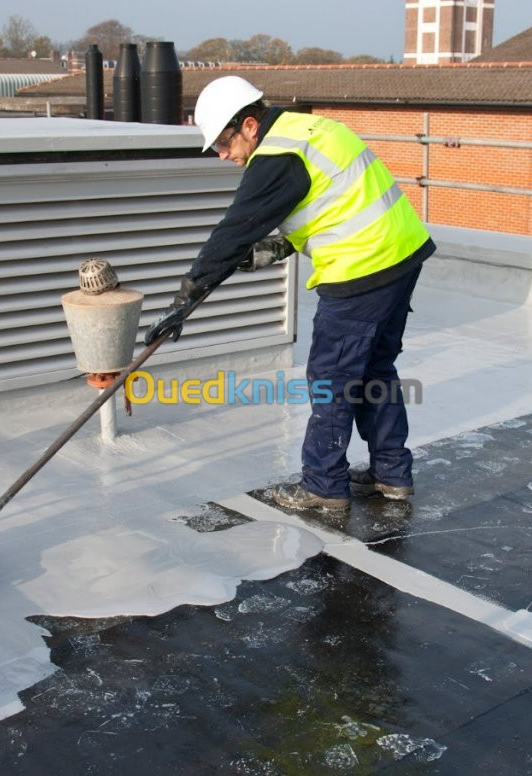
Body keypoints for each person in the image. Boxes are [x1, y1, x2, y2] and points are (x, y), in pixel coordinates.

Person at [144, 75, 434, 512]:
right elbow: (334, 200)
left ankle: (323, 486)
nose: (223, 155)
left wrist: (185, 299)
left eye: (223, 143)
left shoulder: (276, 155)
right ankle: (392, 474)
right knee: (376, 370)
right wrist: (278, 247)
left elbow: (233, 231)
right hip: (402, 254)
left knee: (331, 383)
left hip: (362, 270)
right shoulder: (310, 129)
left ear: (248, 125)